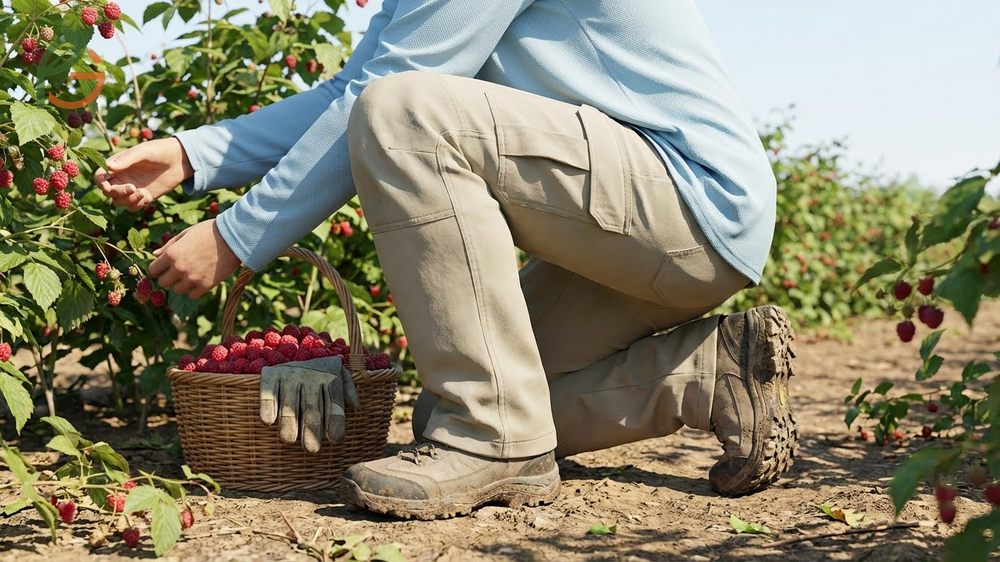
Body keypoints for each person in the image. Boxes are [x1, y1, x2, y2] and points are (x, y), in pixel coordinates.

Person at [95, 0, 798, 520]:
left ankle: (493, 437)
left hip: (680, 201)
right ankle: (708, 375)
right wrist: (197, 155)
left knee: (405, 110)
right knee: (453, 409)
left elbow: (389, 97)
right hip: (648, 228)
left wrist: (236, 238)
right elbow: (350, 90)